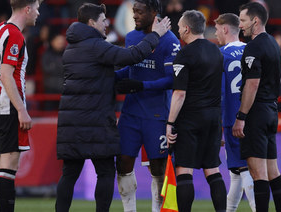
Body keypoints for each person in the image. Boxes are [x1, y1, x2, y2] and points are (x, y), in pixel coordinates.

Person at [56, 3, 171, 212]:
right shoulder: (96, 46)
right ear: (92, 23)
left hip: (71, 122)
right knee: (106, 172)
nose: (106, 23)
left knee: (69, 173)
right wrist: (155, 35)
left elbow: (101, 76)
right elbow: (131, 56)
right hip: (96, 120)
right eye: (102, 20)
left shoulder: (71, 47)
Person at [0, 1, 42, 211]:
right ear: (27, 9)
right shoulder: (14, 35)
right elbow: (5, 73)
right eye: (37, 8)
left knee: (1, 167)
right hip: (9, 107)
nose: (38, 13)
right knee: (9, 169)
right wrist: (21, 109)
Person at [114, 0, 180, 211]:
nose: (134, 16)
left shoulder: (170, 41)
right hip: (130, 113)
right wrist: (110, 77)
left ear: (154, 13)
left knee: (158, 167)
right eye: (134, 11)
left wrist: (140, 85)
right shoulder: (132, 36)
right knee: (123, 163)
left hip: (157, 114)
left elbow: (172, 80)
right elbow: (131, 70)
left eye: (140, 12)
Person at [166, 10, 227, 212]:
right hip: (213, 117)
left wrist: (170, 123)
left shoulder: (184, 54)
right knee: (212, 170)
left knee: (184, 169)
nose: (177, 30)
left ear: (187, 28)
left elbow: (179, 94)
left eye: (179, 27)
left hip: (191, 118)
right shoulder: (217, 51)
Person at [232, 2, 281, 212]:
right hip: (272, 110)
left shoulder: (253, 46)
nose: (240, 25)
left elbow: (252, 83)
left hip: (257, 113)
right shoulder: (273, 43)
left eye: (243, 20)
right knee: (273, 171)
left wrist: (241, 116)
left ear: (255, 21)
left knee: (258, 174)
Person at [214, 13, 256, 212]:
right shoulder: (251, 50)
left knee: (244, 168)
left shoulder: (219, 55)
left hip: (232, 119)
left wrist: (220, 124)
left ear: (224, 29)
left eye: (216, 29)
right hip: (253, 117)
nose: (215, 34)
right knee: (236, 172)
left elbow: (220, 92)